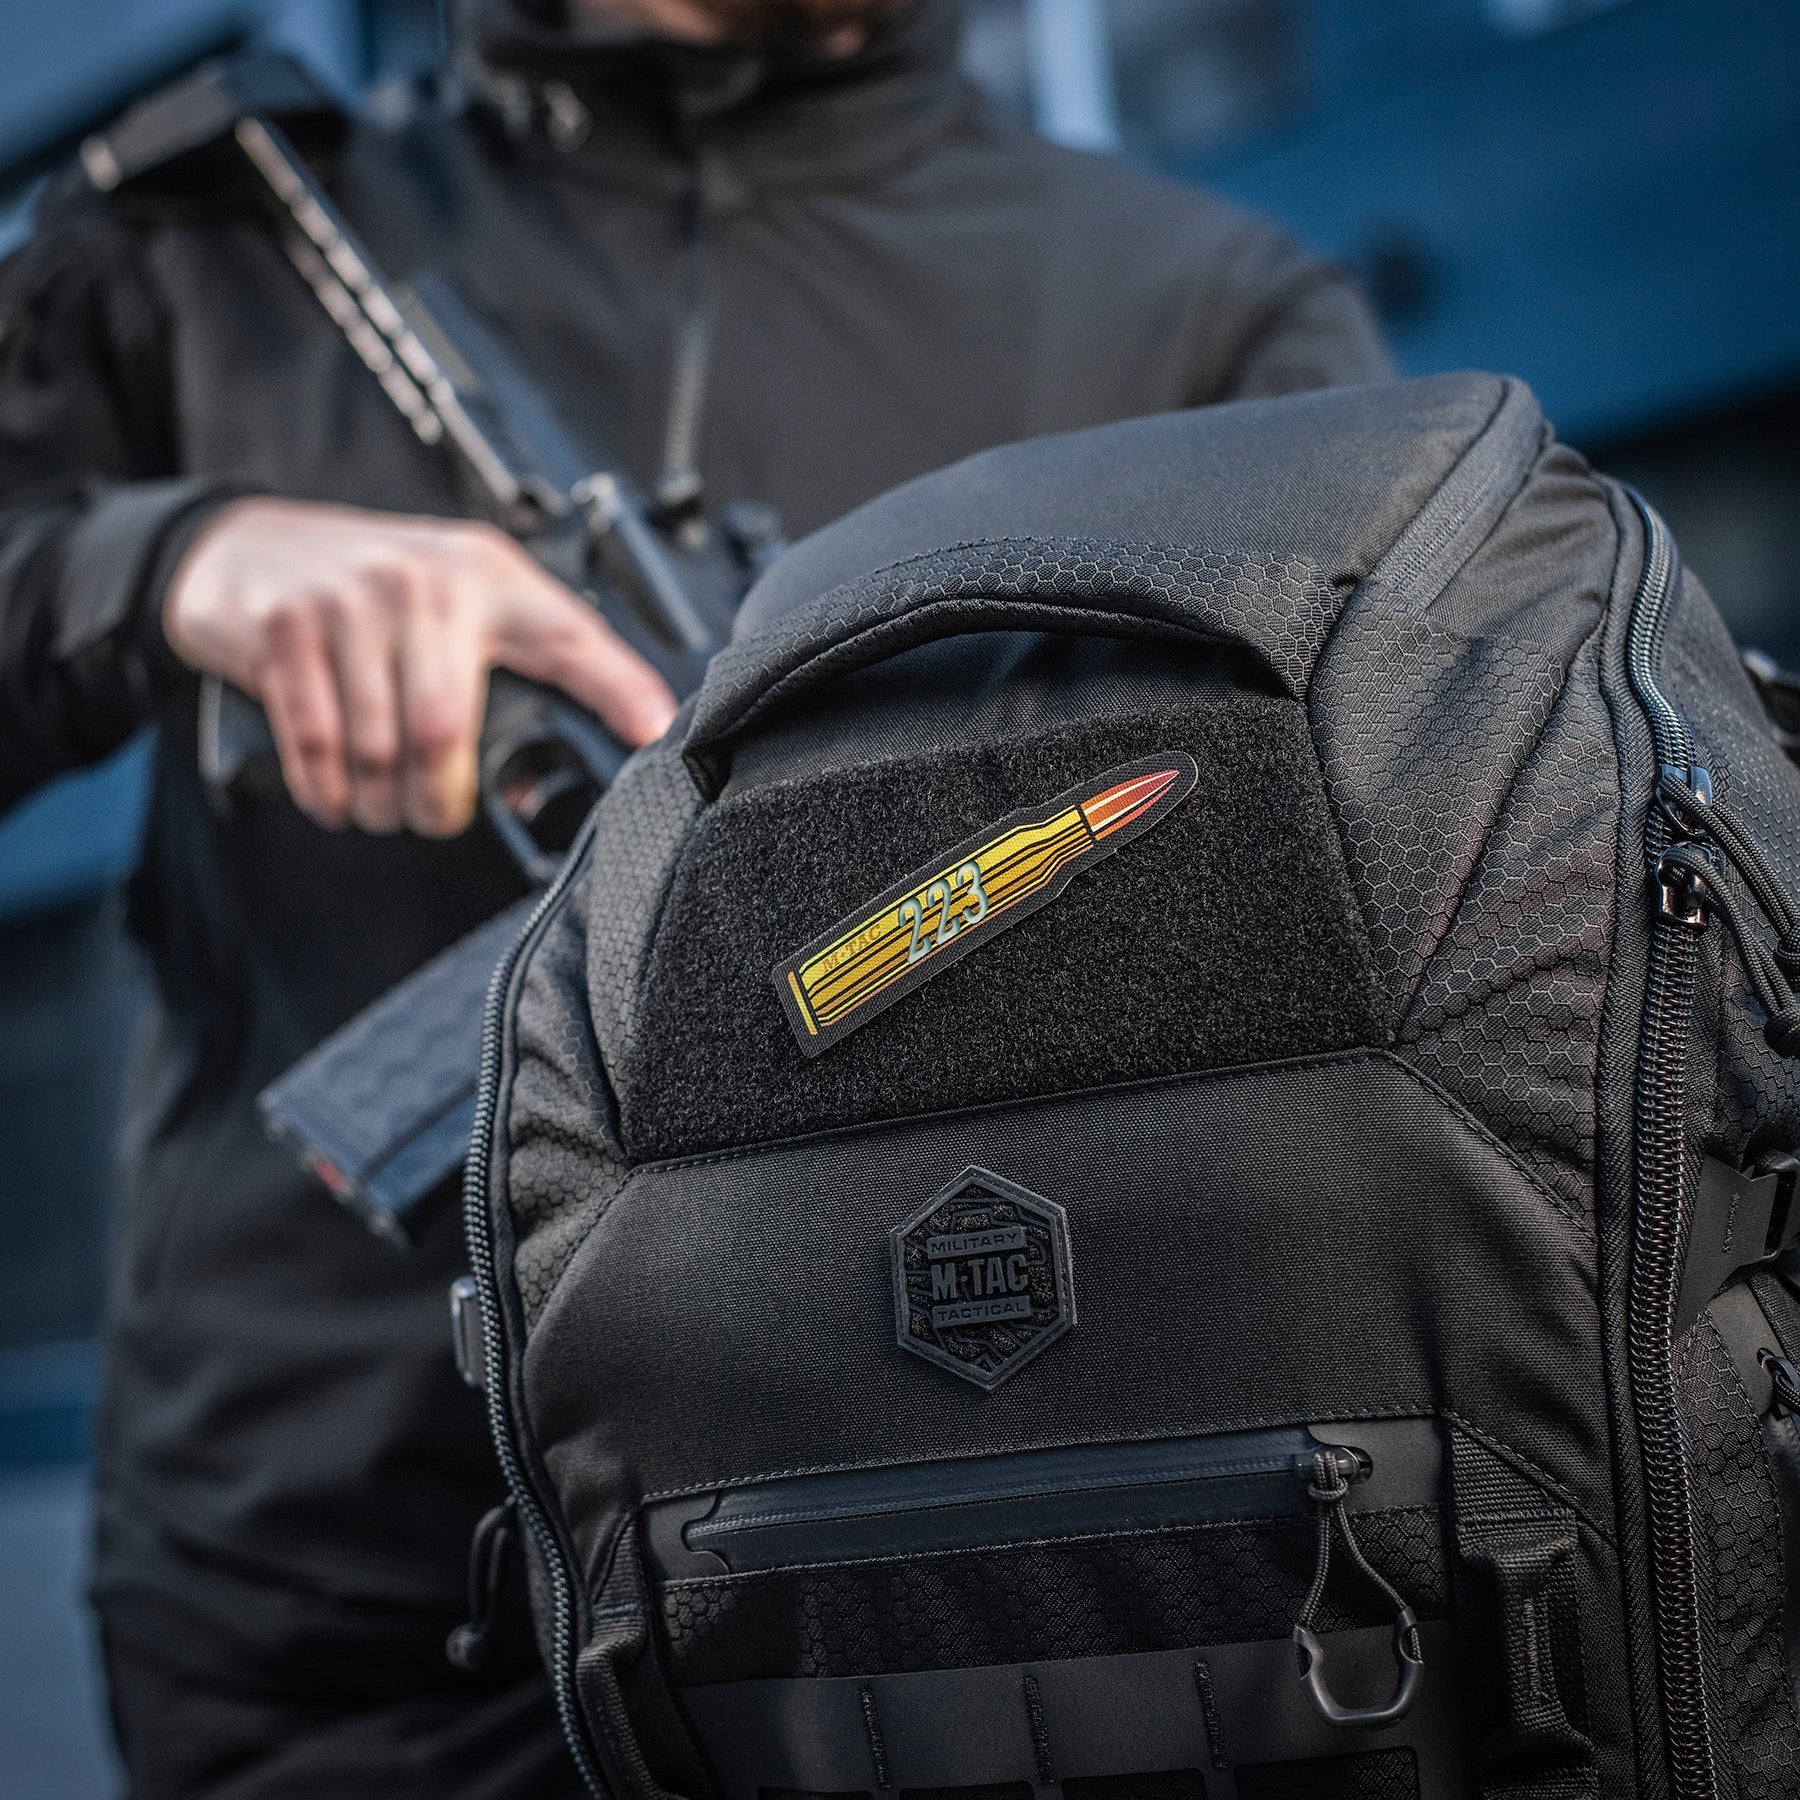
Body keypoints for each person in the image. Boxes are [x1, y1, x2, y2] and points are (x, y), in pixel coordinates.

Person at [0, 0, 1390, 1793]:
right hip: (345, 1617)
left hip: (971, 1582)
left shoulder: (1213, 316)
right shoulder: (219, 231)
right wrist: (163, 563)